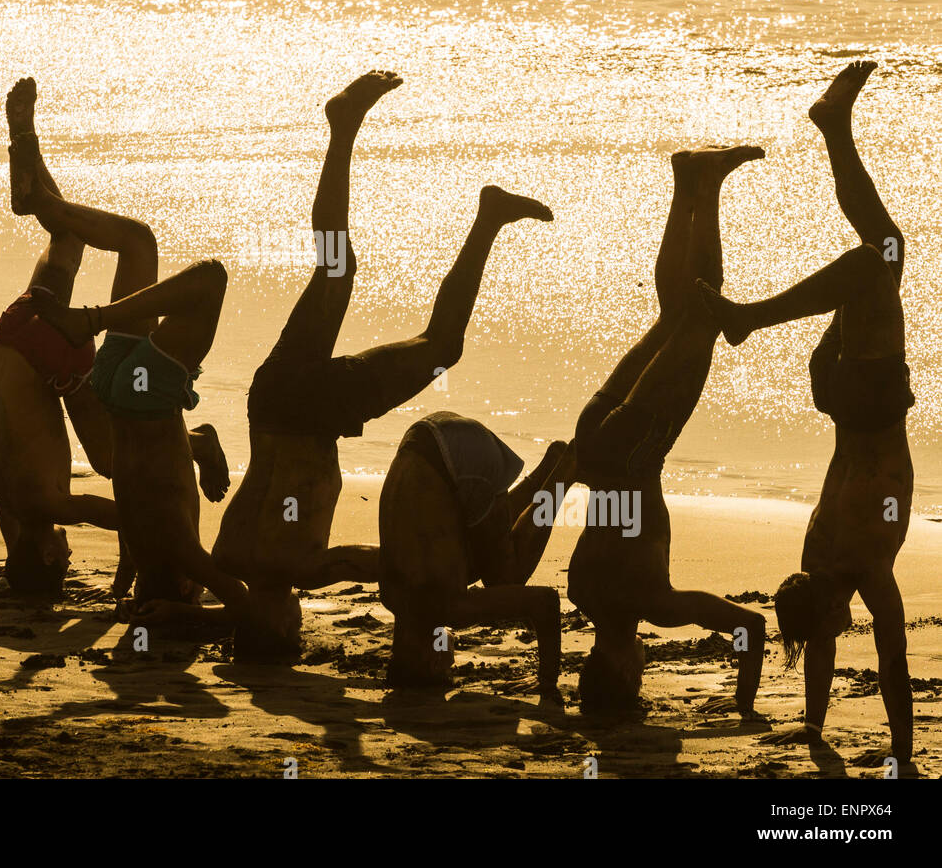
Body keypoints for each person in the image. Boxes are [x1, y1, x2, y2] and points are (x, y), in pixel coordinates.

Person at [211, 71, 554, 660]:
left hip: (315, 412)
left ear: (277, 624)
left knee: (443, 345)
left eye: (290, 632)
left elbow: (381, 563)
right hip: (268, 401)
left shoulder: (306, 569)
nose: (300, 626)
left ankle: (488, 220)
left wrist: (449, 577)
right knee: (334, 268)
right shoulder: (228, 559)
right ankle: (343, 130)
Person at [698, 61, 914, 766]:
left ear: (822, 603)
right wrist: (814, 729)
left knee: (867, 264)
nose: (833, 629)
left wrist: (906, 754)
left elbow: (893, 656)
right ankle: (835, 128)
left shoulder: (850, 563)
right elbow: (835, 652)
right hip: (838, 392)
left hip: (869, 403)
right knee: (886, 252)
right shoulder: (821, 560)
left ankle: (748, 319)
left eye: (825, 621)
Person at [0, 78, 228, 598]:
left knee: (116, 457)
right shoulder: (5, 507)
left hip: (56, 359)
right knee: (66, 238)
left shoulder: (42, 508)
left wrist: (130, 566)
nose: (67, 555)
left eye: (61, 561)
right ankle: (28, 156)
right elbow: (19, 565)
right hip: (14, 332)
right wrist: (13, 581)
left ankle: (195, 443)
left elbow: (125, 512)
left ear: (49, 551)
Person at [567, 146, 768, 719]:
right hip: (592, 442)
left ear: (626, 670)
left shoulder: (654, 605)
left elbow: (748, 626)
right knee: (671, 315)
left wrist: (745, 707)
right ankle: (685, 182)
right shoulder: (580, 593)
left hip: (635, 451)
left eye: (634, 677)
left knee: (703, 316)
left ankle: (707, 187)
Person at [377, 412, 574, 694]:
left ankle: (566, 471)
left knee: (506, 579)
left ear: (433, 661)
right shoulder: (392, 595)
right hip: (423, 438)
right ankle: (549, 467)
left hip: (462, 460)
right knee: (483, 560)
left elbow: (545, 601)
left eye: (447, 666)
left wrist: (547, 680)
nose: (452, 660)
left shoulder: (447, 608)